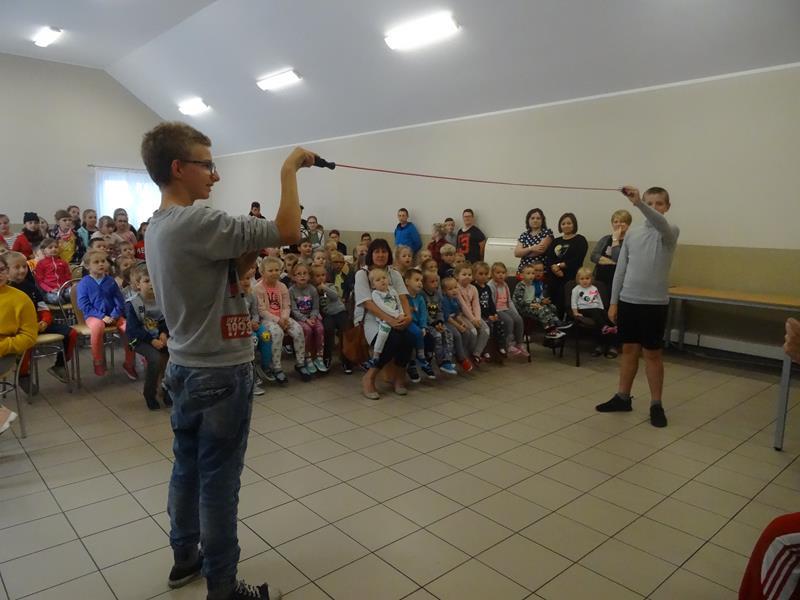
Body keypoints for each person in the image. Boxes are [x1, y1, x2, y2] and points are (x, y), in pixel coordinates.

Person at [141, 120, 314, 600]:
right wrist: (289, 169)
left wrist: (244, 258)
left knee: (188, 469)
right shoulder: (197, 222)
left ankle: (185, 558)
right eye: (207, 165)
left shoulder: (159, 225)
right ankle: (223, 586)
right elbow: (288, 230)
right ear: (179, 168)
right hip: (218, 370)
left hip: (185, 365)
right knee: (219, 483)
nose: (215, 175)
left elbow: (219, 281)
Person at [596, 186, 679, 429]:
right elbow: (621, 269)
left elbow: (659, 222)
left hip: (654, 304)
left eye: (659, 203)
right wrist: (614, 302)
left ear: (667, 207)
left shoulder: (669, 231)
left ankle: (656, 404)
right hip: (628, 301)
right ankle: (623, 397)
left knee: (652, 354)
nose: (654, 208)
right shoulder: (632, 234)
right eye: (649, 203)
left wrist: (638, 203)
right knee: (629, 350)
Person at [7, 250, 76, 390]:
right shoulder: (7, 290)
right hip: (21, 329)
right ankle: (23, 375)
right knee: (26, 342)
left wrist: (45, 321)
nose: (22, 270)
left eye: (24, 266)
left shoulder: (31, 287)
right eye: (17, 267)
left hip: (40, 324)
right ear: (6, 270)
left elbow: (42, 307)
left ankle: (59, 365)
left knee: (71, 333)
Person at [355, 239, 414, 400]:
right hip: (372, 319)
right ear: (371, 254)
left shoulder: (394, 273)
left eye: (384, 251)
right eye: (377, 251)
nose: (381, 255)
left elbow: (403, 297)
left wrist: (407, 316)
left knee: (409, 338)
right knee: (392, 340)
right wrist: (390, 320)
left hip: (396, 315)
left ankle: (399, 377)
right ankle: (369, 377)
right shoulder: (362, 274)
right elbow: (367, 303)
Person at [76, 249, 135, 377]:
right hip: (94, 316)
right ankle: (98, 361)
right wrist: (102, 316)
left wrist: (114, 314)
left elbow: (119, 301)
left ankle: (129, 363)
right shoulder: (84, 283)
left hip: (114, 315)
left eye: (103, 261)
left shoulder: (110, 281)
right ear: (87, 266)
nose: (101, 264)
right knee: (98, 326)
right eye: (96, 262)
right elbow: (83, 305)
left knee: (128, 328)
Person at [254, 257, 309, 384]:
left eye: (277, 270)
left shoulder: (282, 286)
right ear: (262, 272)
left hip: (283, 317)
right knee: (277, 333)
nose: (274, 273)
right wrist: (278, 320)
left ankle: (300, 363)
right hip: (267, 319)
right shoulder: (258, 288)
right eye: (270, 270)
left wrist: (284, 318)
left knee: (298, 330)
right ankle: (277, 367)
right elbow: (262, 310)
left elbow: (286, 305)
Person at [0, 253, 38, 434]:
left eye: (1, 270)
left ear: (7, 272)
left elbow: (29, 337)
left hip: (7, 352)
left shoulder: (20, 298)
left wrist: (4, 346)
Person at [125, 263, 170, 410]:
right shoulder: (132, 304)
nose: (151, 284)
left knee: (173, 356)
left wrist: (163, 333)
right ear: (138, 284)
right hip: (139, 339)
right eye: (146, 281)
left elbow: (165, 320)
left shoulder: (161, 300)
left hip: (158, 337)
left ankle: (167, 390)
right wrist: (152, 340)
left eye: (153, 280)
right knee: (155, 359)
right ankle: (149, 393)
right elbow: (134, 329)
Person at [545, 212, 588, 316]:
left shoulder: (580, 240)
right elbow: (549, 257)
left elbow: (578, 259)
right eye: (563, 223)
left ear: (574, 225)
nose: (566, 226)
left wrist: (559, 266)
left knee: (565, 300)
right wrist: (554, 268)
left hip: (570, 276)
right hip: (554, 275)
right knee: (551, 301)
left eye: (569, 223)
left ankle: (566, 320)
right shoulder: (556, 241)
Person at [312, 265, 352, 374]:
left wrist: (324, 288)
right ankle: (326, 358)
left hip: (340, 312)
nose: (321, 277)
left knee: (345, 331)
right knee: (328, 330)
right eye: (317, 276)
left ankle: (346, 360)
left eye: (323, 275)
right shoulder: (313, 290)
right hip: (327, 315)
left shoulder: (330, 286)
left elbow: (334, 296)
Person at [512, 263, 567, 340]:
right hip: (522, 308)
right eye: (528, 273)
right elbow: (519, 302)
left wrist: (539, 302)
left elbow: (532, 298)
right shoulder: (521, 286)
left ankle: (556, 325)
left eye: (533, 273)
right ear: (522, 275)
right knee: (541, 310)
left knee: (549, 307)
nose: (531, 275)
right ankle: (550, 331)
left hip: (531, 305)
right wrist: (533, 304)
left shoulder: (532, 285)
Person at [571, 267, 617, 358]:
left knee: (604, 315)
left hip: (596, 309)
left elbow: (599, 300)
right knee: (595, 312)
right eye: (582, 279)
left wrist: (603, 311)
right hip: (584, 309)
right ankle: (604, 327)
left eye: (587, 278)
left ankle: (612, 329)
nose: (585, 281)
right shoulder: (576, 289)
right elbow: (573, 302)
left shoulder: (594, 288)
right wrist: (575, 312)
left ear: (591, 279)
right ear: (578, 279)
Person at [289, 262, 326, 374]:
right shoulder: (291, 291)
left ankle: (319, 357)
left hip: (312, 316)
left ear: (309, 276)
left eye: (305, 273)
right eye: (299, 274)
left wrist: (313, 317)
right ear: (294, 277)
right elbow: (294, 310)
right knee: (307, 330)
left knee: (320, 329)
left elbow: (316, 307)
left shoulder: (312, 289)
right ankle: (308, 357)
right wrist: (306, 320)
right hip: (300, 319)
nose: (302, 276)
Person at [488, 262, 528, 358]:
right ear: (492, 274)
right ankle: (508, 345)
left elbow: (509, 301)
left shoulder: (505, 285)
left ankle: (519, 343)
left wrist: (515, 313)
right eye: (498, 273)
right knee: (509, 321)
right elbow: (491, 303)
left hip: (506, 308)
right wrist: (494, 313)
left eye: (503, 273)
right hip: (497, 310)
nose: (501, 275)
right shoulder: (491, 285)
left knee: (518, 319)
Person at [403, 268, 436, 380]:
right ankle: (420, 359)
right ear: (407, 281)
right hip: (408, 323)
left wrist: (423, 327)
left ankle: (425, 361)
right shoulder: (404, 297)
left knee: (429, 336)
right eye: (416, 280)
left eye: (421, 281)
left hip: (418, 324)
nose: (420, 283)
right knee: (416, 334)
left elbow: (423, 314)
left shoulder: (420, 298)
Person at [472, 261, 506, 358]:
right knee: (489, 325)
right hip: (480, 315)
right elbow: (477, 305)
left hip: (489, 314)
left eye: (486, 274)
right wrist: (488, 316)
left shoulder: (487, 287)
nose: (484, 276)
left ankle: (500, 347)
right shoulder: (474, 288)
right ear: (474, 275)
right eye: (480, 274)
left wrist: (494, 313)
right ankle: (485, 350)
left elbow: (491, 302)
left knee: (500, 323)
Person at [441, 276, 475, 372]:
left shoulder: (456, 299)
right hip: (447, 321)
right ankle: (462, 358)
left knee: (467, 332)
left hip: (453, 319)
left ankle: (460, 353)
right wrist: (458, 326)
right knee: (457, 334)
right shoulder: (444, 300)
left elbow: (457, 315)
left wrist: (462, 323)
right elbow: (448, 318)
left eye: (455, 287)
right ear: (444, 291)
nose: (454, 291)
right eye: (450, 289)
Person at [591, 209, 632, 289]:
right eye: (616, 222)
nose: (619, 224)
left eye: (622, 221)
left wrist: (615, 240)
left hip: (620, 282)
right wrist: (612, 262)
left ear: (628, 224)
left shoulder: (631, 240)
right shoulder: (605, 238)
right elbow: (593, 256)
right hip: (600, 279)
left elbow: (617, 258)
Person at [514, 208, 553, 274]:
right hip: (523, 271)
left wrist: (523, 253)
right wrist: (531, 248)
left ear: (542, 220)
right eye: (532, 218)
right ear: (528, 220)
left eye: (538, 218)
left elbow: (540, 250)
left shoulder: (547, 233)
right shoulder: (524, 235)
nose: (535, 220)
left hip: (539, 271)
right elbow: (516, 253)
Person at [33, 238, 72, 304]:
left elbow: (68, 276)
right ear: (43, 251)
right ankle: (62, 300)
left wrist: (66, 287)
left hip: (64, 289)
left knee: (74, 293)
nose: (54, 249)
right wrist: (50, 289)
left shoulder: (63, 262)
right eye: (50, 247)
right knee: (55, 299)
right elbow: (40, 281)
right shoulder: (40, 264)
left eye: (56, 247)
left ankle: (64, 299)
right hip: (50, 291)